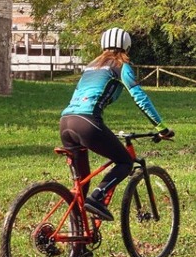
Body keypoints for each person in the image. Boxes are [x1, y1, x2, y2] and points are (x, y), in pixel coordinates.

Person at [60, 27, 172, 221]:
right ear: (127, 47)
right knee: (125, 162)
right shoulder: (120, 66)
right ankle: (98, 197)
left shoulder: (91, 66)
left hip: (66, 122)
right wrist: (161, 127)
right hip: (87, 122)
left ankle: (78, 245)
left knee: (81, 186)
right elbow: (140, 98)